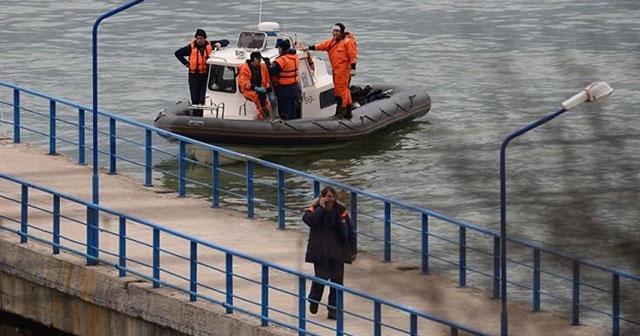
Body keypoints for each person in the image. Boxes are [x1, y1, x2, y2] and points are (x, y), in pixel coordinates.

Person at [302, 186, 357, 320]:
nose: (330, 199)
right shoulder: (315, 209)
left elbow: (350, 231)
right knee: (321, 277)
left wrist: (352, 250)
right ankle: (314, 300)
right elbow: (308, 221)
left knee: (337, 281)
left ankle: (333, 310)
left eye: (332, 196)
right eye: (327, 196)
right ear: (322, 197)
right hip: (320, 251)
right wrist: (321, 208)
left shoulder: (341, 211)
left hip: (337, 252)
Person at [304, 23, 357, 119]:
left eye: (337, 31)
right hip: (336, 69)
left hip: (343, 69)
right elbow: (322, 46)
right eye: (334, 31)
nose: (335, 33)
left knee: (341, 91)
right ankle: (347, 110)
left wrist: (353, 68)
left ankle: (342, 111)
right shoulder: (333, 42)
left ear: (342, 32)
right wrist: (308, 47)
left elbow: (352, 56)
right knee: (342, 90)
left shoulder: (348, 42)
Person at [174, 28, 229, 117]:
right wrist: (186, 64)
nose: (199, 40)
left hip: (206, 75)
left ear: (205, 38)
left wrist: (219, 44)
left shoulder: (211, 45)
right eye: (198, 38)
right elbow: (177, 53)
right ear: (195, 38)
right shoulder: (190, 48)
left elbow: (226, 41)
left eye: (201, 38)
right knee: (194, 96)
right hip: (194, 75)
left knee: (202, 97)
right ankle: (196, 115)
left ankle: (203, 115)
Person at [268, 39, 301, 120]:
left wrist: (268, 64)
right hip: (294, 88)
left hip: (284, 90)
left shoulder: (282, 60)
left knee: (285, 110)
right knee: (293, 108)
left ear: (281, 48)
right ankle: (294, 123)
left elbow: (272, 72)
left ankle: (287, 124)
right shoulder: (295, 57)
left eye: (279, 48)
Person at [238, 51, 272, 120]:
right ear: (253, 59)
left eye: (260, 59)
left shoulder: (263, 67)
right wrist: (255, 88)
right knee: (259, 98)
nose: (259, 60)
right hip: (248, 90)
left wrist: (269, 89)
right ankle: (264, 117)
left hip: (261, 88)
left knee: (265, 99)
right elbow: (244, 83)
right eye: (258, 59)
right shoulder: (245, 69)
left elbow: (267, 79)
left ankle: (268, 115)